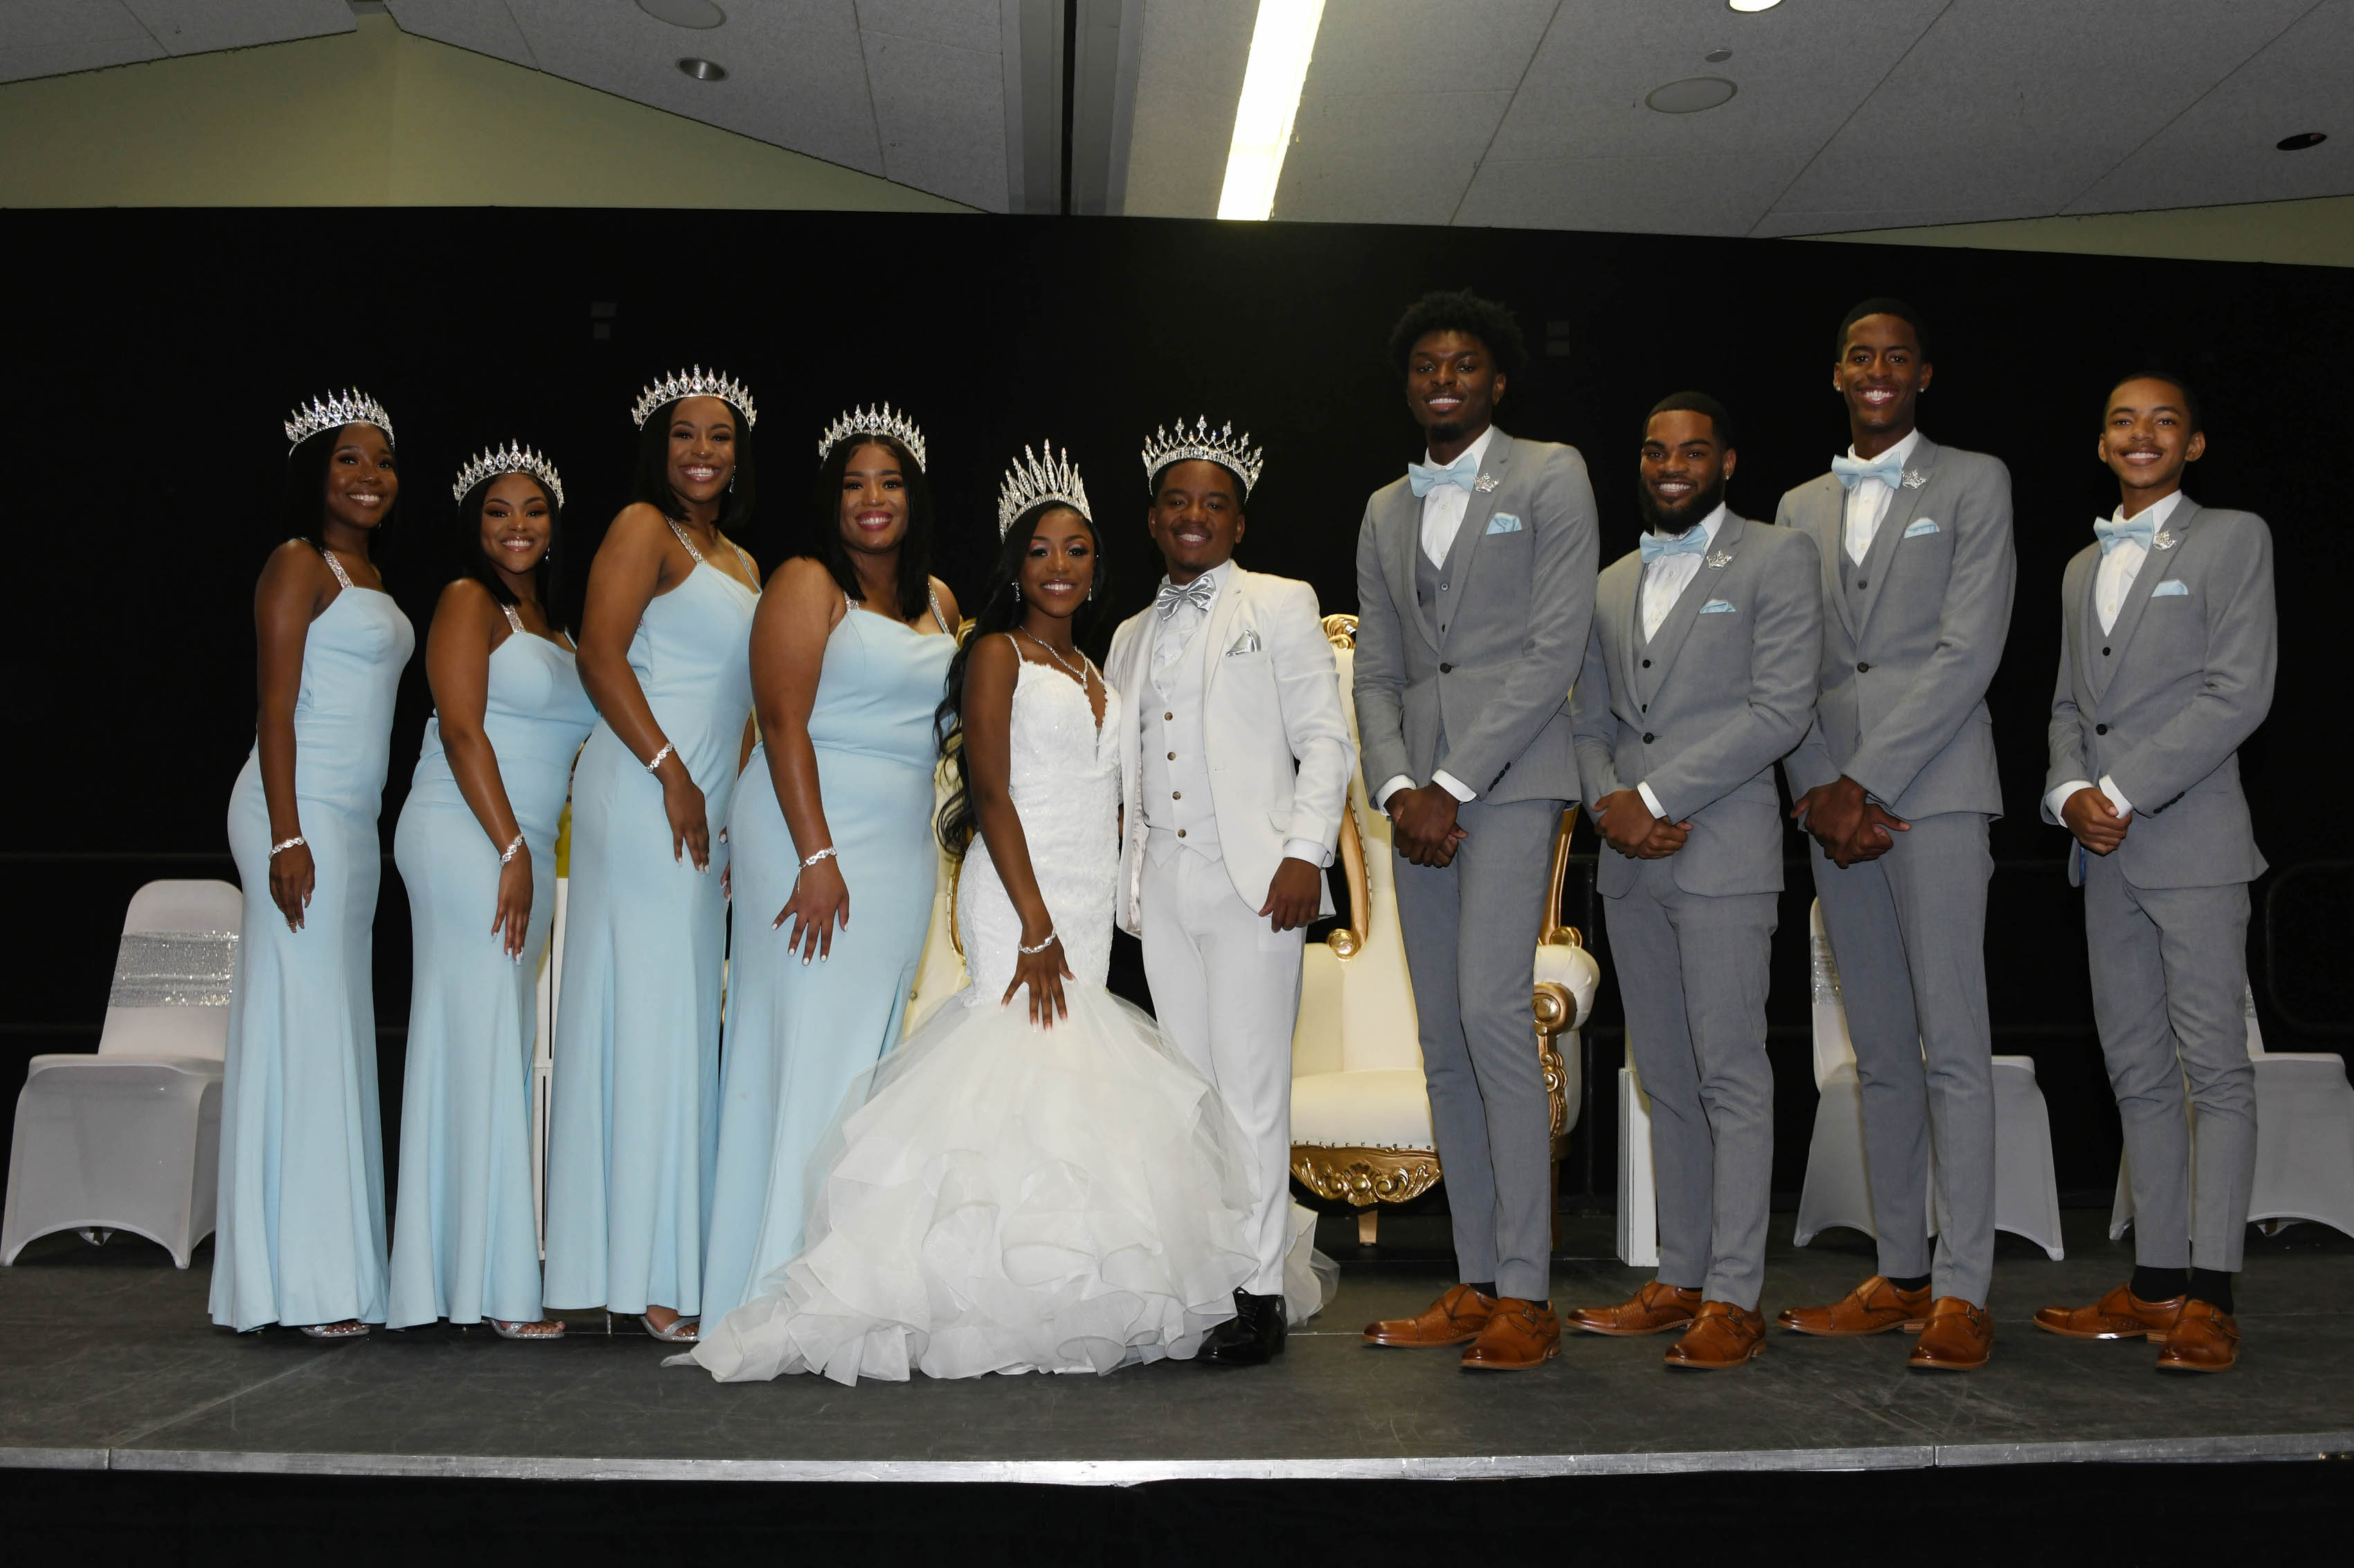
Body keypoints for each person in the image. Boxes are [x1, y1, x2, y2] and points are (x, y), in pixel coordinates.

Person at [683, 446, 1258, 1385]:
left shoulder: (1004, 627)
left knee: (997, 1068)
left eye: (1077, 550)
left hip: (995, 874)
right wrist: (1019, 913)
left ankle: (1045, 1286)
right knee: (942, 1053)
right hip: (906, 865)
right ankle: (796, 1279)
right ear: (1015, 562)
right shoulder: (942, 630)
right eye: (1040, 550)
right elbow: (954, 775)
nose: (1059, 567)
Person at [1354, 289, 1599, 1372]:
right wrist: (1403, 783)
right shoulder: (1382, 507)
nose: (1443, 380)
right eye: (1425, 367)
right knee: (1443, 1038)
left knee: (1496, 1014)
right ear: (1408, 384)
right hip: (1420, 803)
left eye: (1464, 365)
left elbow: (1554, 647)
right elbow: (1376, 667)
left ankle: (1528, 1294)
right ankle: (1473, 1280)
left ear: (1497, 380)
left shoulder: (1552, 473)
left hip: (1508, 780)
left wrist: (1453, 778)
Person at [1775, 299, 2015, 1372]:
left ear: (1926, 373)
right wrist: (1820, 788)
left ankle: (1964, 1288)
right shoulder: (1796, 503)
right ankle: (1903, 1270)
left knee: (1953, 1042)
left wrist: (1863, 780)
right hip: (1834, 804)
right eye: (1860, 358)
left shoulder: (1975, 481)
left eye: (1897, 358)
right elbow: (1784, 670)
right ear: (1837, 375)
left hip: (1935, 792)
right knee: (1880, 1052)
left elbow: (1971, 650)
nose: (1879, 372)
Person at [1566, 394, 1820, 1369]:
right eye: (1657, 450)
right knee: (1665, 1076)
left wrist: (1656, 793)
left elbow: (1780, 707)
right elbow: (1586, 724)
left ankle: (1735, 1292)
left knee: (1730, 1072)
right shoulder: (1611, 579)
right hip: (1631, 861)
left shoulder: (1775, 555)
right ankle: (1681, 1273)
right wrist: (1608, 804)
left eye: (1693, 451)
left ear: (1727, 462)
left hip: (1722, 854)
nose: (1673, 464)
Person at [2033, 374, 2274, 1373]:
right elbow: (2059, 711)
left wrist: (2120, 788)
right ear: (2102, 444)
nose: (2144, 435)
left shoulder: (2233, 539)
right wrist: (2067, 795)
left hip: (2192, 843)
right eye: (2126, 421)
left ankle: (2212, 1295)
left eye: (2164, 421)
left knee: (2213, 1070)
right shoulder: (2083, 564)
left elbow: (2239, 693)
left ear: (2196, 444)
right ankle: (2158, 1283)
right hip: (2105, 854)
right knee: (2134, 1068)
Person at [699, 407, 960, 1320]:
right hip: (810, 832)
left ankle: (844, 1275)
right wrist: (813, 853)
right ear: (831, 499)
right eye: (853, 483)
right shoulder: (806, 581)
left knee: (868, 1062)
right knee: (807, 1046)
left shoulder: (940, 603)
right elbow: (776, 722)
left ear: (914, 495)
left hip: (896, 850)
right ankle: (774, 1280)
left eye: (889, 482)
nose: (873, 499)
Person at [1106, 419, 1355, 1366]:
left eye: (1214, 502)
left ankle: (1259, 1294)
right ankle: (1213, 1274)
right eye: (1179, 500)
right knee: (1196, 1090)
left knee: (1252, 1092)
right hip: (1162, 882)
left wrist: (1305, 851)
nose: (1195, 515)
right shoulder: (1130, 635)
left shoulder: (1281, 603)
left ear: (1239, 523)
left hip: (1255, 879)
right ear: (1154, 519)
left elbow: (1324, 739)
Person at [543, 370, 762, 1344]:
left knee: (678, 1023)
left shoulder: (749, 563)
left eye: (719, 435)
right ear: (659, 445)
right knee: (647, 1017)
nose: (702, 451)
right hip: (642, 790)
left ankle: (656, 1254)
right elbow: (599, 652)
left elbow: (748, 703)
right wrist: (673, 772)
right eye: (685, 434)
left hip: (703, 806)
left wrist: (732, 818)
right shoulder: (642, 527)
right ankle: (645, 1271)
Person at [212, 391, 415, 1337]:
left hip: (349, 823)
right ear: (314, 475)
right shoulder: (299, 563)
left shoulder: (367, 570)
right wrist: (289, 834)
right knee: (305, 1030)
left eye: (381, 461)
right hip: (295, 818)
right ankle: (300, 1282)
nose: (369, 475)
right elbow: (275, 708)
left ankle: (327, 1271)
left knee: (326, 1030)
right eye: (349, 460)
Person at [387, 444, 595, 1340]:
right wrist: (510, 844)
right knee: (481, 1042)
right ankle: (498, 1289)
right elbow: (463, 727)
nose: (518, 525)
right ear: (475, 527)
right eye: (499, 511)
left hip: (526, 844)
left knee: (487, 1044)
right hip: (468, 833)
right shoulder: (469, 602)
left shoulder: (558, 626)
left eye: (535, 510)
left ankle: (450, 1275)